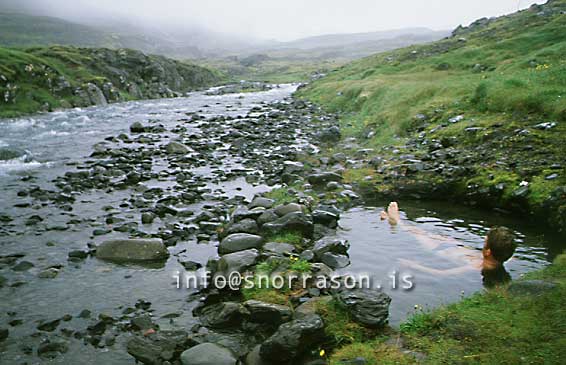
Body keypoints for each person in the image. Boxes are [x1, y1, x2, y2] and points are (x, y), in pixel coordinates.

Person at [380, 202, 517, 282]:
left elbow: (441, 274)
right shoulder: (503, 259)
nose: (483, 241)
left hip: (440, 249)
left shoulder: (476, 266)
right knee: (428, 234)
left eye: (485, 241)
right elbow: (511, 256)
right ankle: (391, 220)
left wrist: (414, 265)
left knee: (419, 234)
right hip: (452, 245)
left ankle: (397, 221)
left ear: (488, 252)